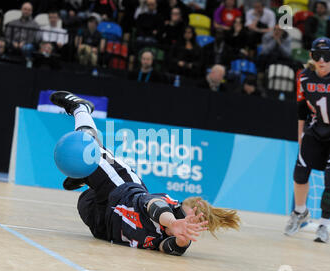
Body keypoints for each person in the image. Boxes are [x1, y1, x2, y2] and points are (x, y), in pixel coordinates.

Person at [48, 90, 241, 255]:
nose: (185, 225)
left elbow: (169, 248)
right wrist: (174, 223)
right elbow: (152, 204)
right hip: (119, 192)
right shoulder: (168, 208)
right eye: (187, 220)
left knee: (85, 184)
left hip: (102, 224)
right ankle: (81, 108)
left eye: (189, 225)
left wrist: (181, 241)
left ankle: (86, 176)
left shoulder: (179, 235)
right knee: (86, 147)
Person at [284, 37, 330, 243]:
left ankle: (325, 224)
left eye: (327, 56)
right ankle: (300, 211)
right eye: (317, 55)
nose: (322, 60)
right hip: (315, 127)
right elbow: (302, 109)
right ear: (311, 56)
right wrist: (300, 137)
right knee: (300, 171)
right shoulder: (304, 78)